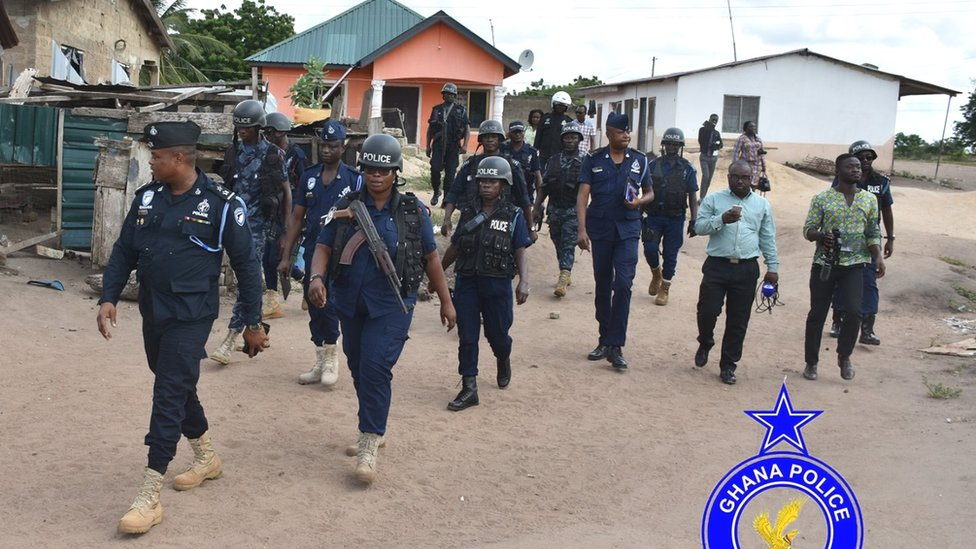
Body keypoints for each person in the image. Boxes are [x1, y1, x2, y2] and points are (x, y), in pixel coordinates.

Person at [97, 121, 268, 534]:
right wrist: (108, 296)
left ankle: (149, 494)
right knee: (175, 383)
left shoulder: (221, 204)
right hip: (154, 309)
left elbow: (247, 266)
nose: (150, 162)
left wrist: (252, 322)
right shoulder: (147, 197)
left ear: (179, 159)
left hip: (192, 315)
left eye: (156, 156)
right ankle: (206, 457)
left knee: (168, 391)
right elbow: (124, 250)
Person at [308, 133, 456, 485]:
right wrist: (315, 278)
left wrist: (446, 301)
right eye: (371, 169)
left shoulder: (412, 212)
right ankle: (372, 426)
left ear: (395, 173)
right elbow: (323, 246)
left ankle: (369, 442)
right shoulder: (347, 205)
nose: (376, 175)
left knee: (375, 368)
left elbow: (431, 258)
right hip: (350, 302)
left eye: (384, 170)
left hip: (392, 304)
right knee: (359, 367)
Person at [439, 156, 532, 411]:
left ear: (504, 184)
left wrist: (524, 281)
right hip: (467, 283)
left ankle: (503, 357)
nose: (486, 185)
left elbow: (520, 249)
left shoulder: (513, 215)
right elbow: (455, 246)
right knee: (467, 336)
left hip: (497, 286)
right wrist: (437, 275)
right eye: (483, 181)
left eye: (493, 181)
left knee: (497, 334)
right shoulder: (469, 211)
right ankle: (469, 387)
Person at [277, 120, 357, 386]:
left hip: (342, 253)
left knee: (330, 302)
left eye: (332, 146)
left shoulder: (354, 178)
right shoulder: (309, 177)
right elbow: (296, 217)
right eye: (323, 145)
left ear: (343, 147)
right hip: (313, 249)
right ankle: (320, 359)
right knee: (314, 303)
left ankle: (332, 358)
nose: (326, 150)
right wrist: (287, 256)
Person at [210, 100, 290, 364]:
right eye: (239, 127)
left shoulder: (273, 155)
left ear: (259, 127)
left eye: (247, 127)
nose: (242, 131)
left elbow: (286, 192)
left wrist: (285, 231)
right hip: (232, 223)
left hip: (257, 226)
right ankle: (255, 328)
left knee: (247, 279)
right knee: (245, 279)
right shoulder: (234, 152)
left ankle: (232, 335)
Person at [576, 112, 654, 370]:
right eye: (621, 132)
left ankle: (616, 345)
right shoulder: (594, 159)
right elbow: (583, 196)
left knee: (622, 284)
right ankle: (604, 339)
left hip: (628, 229)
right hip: (600, 229)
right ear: (609, 134)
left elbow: (650, 193)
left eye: (628, 131)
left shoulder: (640, 160)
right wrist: (581, 230)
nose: (626, 136)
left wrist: (639, 201)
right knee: (602, 284)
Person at [693, 160, 779, 385]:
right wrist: (721, 219)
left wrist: (773, 268)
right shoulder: (714, 200)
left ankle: (728, 365)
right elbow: (699, 227)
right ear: (728, 177)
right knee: (707, 311)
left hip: (746, 268)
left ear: (752, 179)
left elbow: (767, 237)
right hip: (717, 265)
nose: (740, 181)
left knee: (738, 320)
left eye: (745, 177)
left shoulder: (762, 204)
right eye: (735, 177)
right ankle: (705, 341)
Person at [802, 153, 885, 382]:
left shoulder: (869, 200)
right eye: (851, 167)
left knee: (854, 311)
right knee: (817, 314)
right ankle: (811, 362)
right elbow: (808, 230)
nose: (856, 170)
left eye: (858, 167)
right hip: (825, 264)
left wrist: (878, 256)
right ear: (838, 171)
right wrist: (822, 236)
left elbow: (872, 232)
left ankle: (844, 356)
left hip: (855, 265)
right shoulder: (822, 199)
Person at [828, 140, 895, 345]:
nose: (865, 160)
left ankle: (867, 329)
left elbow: (887, 210)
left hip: (869, 241)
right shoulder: (843, 180)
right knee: (841, 281)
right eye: (861, 157)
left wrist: (890, 238)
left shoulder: (881, 182)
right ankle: (838, 322)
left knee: (869, 283)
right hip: (844, 240)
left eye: (869, 157)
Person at [442, 119, 535, 241]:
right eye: (486, 137)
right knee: (459, 245)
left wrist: (531, 227)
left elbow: (523, 198)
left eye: (493, 137)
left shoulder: (512, 166)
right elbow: (454, 193)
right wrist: (447, 219)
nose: (490, 140)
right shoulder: (471, 164)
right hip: (471, 216)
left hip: (502, 220)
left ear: (499, 139)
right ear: (481, 140)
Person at [643, 127, 699, 306]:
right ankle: (656, 273)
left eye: (676, 144)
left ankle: (665, 287)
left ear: (680, 146)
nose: (672, 147)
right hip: (654, 216)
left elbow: (692, 196)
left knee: (670, 253)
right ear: (664, 145)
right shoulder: (653, 165)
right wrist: (638, 213)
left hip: (675, 218)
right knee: (649, 248)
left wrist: (694, 220)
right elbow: (645, 190)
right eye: (669, 144)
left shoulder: (687, 169)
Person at [534, 121, 585, 297]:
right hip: (555, 210)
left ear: (579, 140)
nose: (570, 141)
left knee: (568, 244)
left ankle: (564, 276)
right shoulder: (553, 160)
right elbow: (544, 187)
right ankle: (565, 270)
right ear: (562, 140)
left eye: (574, 138)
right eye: (567, 138)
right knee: (557, 241)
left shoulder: (585, 161)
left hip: (573, 210)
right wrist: (536, 207)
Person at [263, 112, 309, 307]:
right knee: (268, 255)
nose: (266, 136)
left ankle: (305, 282)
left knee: (279, 255)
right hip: (273, 210)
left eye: (269, 133)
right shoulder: (268, 153)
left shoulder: (296, 156)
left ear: (280, 132)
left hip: (291, 213)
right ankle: (272, 298)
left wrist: (297, 217)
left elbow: (305, 186)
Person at [426, 82, 470, 206]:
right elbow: (430, 129)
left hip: (454, 146)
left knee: (450, 175)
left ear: (455, 96)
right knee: (435, 170)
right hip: (438, 145)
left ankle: (446, 199)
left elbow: (467, 129)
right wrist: (428, 145)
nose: (449, 96)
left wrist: (465, 145)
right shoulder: (436, 110)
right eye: (446, 94)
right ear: (443, 95)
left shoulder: (461, 111)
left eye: (451, 94)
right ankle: (436, 191)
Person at [501, 120, 543, 203]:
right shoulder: (502, 149)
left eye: (520, 132)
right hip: (506, 195)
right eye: (514, 132)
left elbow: (538, 175)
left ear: (523, 133)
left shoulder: (531, 151)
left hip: (526, 194)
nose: (517, 135)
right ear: (509, 134)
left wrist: (539, 201)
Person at [533, 91, 574, 168]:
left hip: (560, 157)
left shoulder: (569, 122)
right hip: (543, 157)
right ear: (553, 104)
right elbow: (538, 138)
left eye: (563, 106)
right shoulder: (544, 119)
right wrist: (534, 153)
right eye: (558, 105)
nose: (560, 108)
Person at [731, 121, 765, 189]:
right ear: (746, 128)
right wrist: (735, 165)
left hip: (757, 165)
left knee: (754, 185)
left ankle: (752, 195)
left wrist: (764, 165)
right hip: (746, 164)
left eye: (754, 126)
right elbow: (736, 152)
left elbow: (761, 152)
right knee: (746, 183)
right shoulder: (741, 138)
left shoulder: (757, 139)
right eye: (751, 126)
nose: (753, 128)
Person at [697, 113, 723, 200]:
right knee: (706, 176)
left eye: (716, 120)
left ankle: (703, 197)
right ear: (709, 119)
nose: (714, 121)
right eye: (713, 119)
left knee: (709, 179)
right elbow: (701, 141)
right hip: (704, 157)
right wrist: (708, 127)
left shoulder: (716, 133)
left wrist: (716, 145)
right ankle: (701, 197)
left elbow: (721, 144)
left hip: (713, 158)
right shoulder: (703, 130)